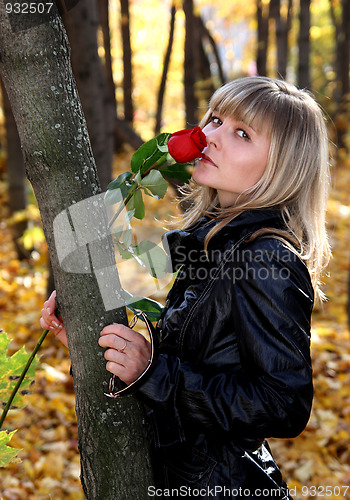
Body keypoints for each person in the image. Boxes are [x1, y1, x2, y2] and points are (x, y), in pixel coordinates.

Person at [40, 76, 331, 498]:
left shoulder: (266, 256)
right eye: (214, 119)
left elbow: (284, 404)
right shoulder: (211, 241)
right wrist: (91, 335)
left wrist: (154, 373)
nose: (209, 137)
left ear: (282, 167)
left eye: (242, 133)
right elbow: (196, 354)